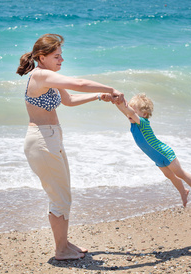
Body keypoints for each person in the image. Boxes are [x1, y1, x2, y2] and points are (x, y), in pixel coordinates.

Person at [16, 33, 124, 260]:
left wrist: (99, 96)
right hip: (42, 140)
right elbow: (80, 83)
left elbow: (69, 100)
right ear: (42, 57)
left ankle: (63, 243)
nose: (61, 60)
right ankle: (61, 250)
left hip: (52, 138)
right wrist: (112, 88)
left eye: (62, 55)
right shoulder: (41, 75)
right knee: (60, 198)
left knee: (64, 195)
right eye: (57, 56)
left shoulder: (50, 77)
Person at [108, 93, 191, 207]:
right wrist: (115, 101)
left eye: (133, 110)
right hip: (156, 157)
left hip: (164, 153)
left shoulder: (143, 123)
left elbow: (130, 112)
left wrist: (124, 104)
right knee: (170, 176)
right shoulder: (133, 122)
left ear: (144, 114)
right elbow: (126, 111)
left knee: (179, 173)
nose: (129, 113)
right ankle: (183, 191)